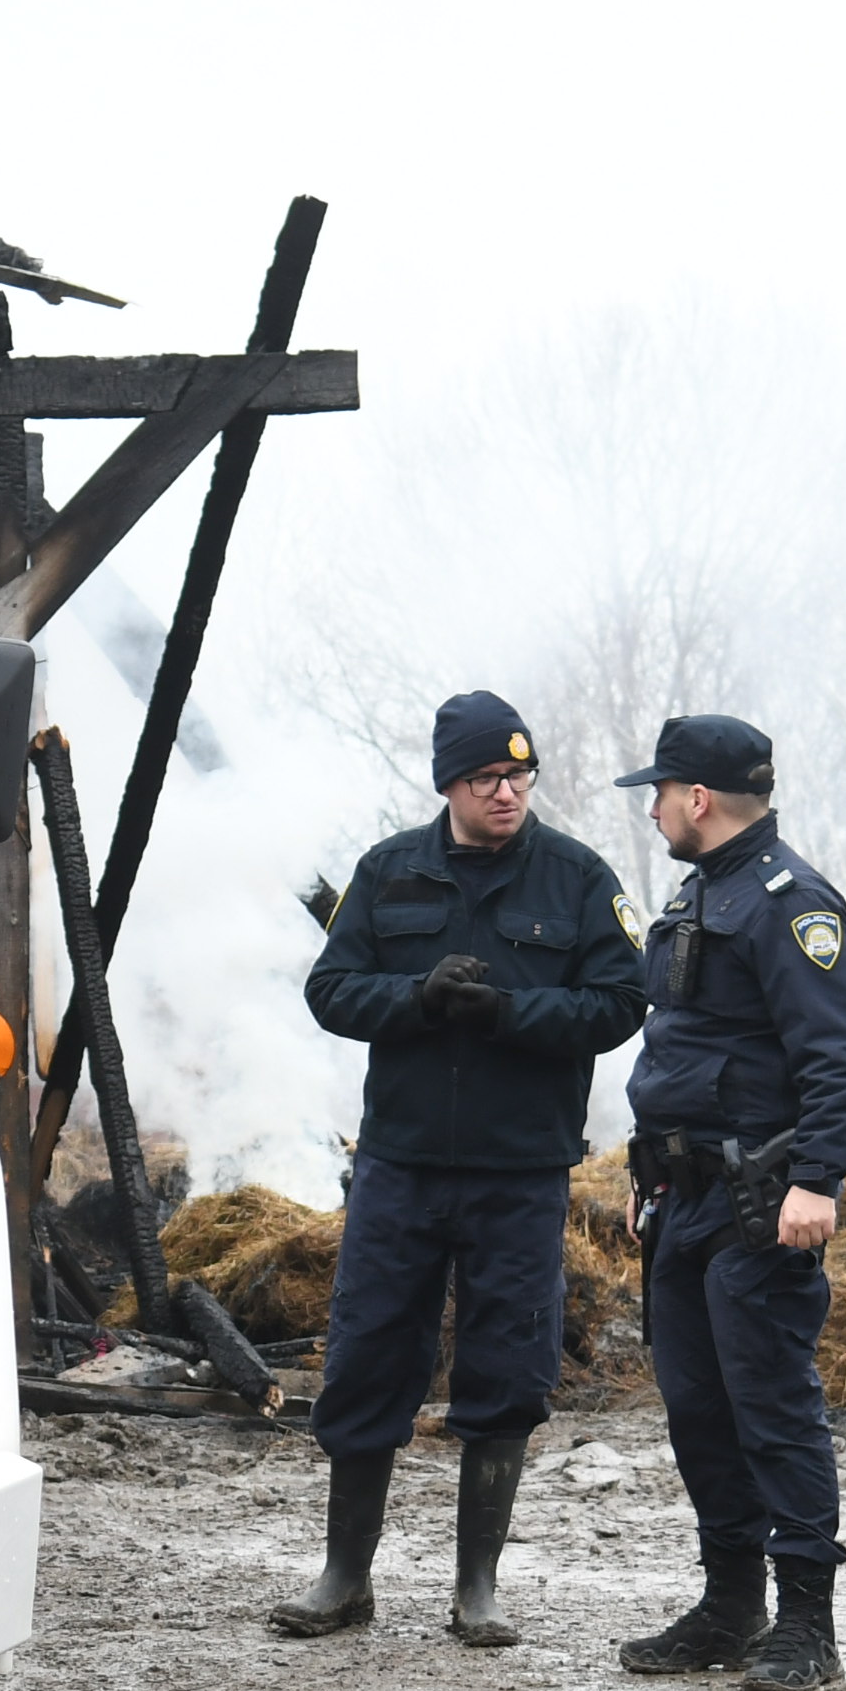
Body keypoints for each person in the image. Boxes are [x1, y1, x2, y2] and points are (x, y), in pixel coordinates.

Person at [276, 692, 646, 1642]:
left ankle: (475, 1589)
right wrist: (418, 998)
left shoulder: (576, 878)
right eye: (488, 778)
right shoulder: (388, 871)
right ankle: (343, 1578)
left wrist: (509, 1012)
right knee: (366, 1359)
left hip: (519, 1172)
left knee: (508, 1366)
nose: (508, 793)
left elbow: (619, 1002)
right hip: (402, 1166)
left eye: (520, 777)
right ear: (449, 782)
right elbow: (330, 989)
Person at [607, 713, 846, 1691]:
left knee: (771, 1410)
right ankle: (730, 1605)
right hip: (681, 1198)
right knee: (698, 1411)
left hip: (759, 1201)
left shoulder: (788, 900)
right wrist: (646, 1170)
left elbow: (840, 1052)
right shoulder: (701, 893)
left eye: (660, 792)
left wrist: (817, 1180)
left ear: (698, 799)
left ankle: (807, 1622)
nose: (651, 810)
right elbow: (682, 1049)